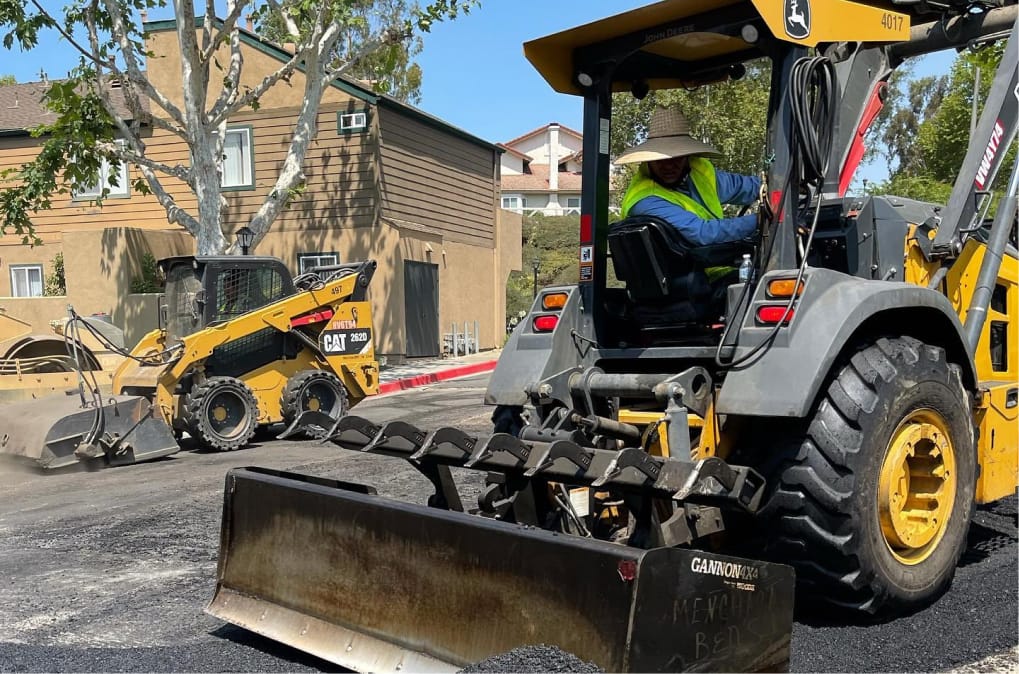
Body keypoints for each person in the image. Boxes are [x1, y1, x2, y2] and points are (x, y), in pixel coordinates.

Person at [616, 107, 764, 259]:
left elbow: (746, 187)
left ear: (688, 156)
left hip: (719, 265)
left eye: (676, 157)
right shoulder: (645, 199)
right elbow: (703, 233)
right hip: (695, 276)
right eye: (660, 160)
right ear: (648, 161)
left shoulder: (698, 171)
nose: (668, 166)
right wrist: (762, 220)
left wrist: (772, 187)